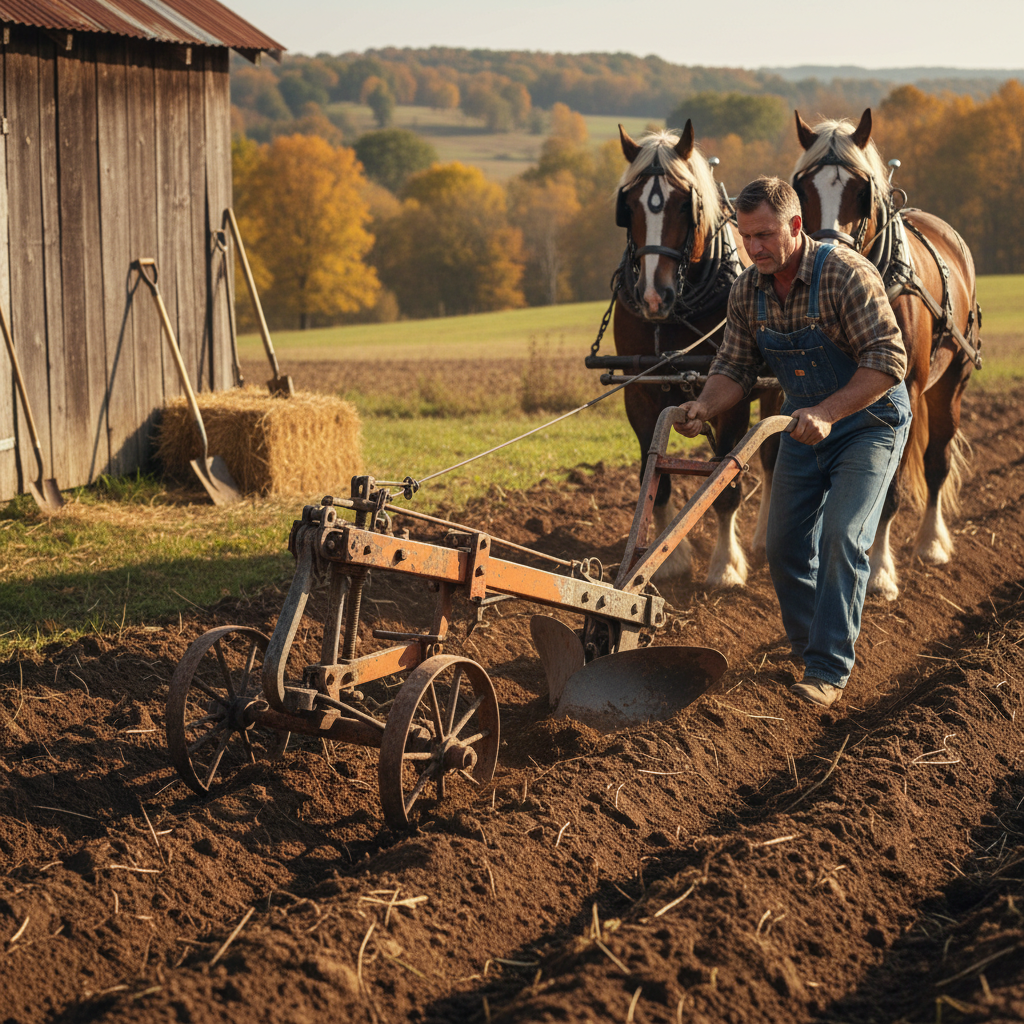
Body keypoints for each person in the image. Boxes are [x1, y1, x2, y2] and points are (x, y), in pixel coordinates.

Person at [677, 176, 911, 708]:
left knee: (843, 537)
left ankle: (829, 669)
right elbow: (734, 366)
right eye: (745, 236)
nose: (753, 248)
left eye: (764, 235)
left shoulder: (845, 275)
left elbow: (888, 361)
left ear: (796, 227)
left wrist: (829, 413)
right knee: (783, 548)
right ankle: (810, 649)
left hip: (869, 423)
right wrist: (705, 406)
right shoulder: (747, 290)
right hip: (802, 424)